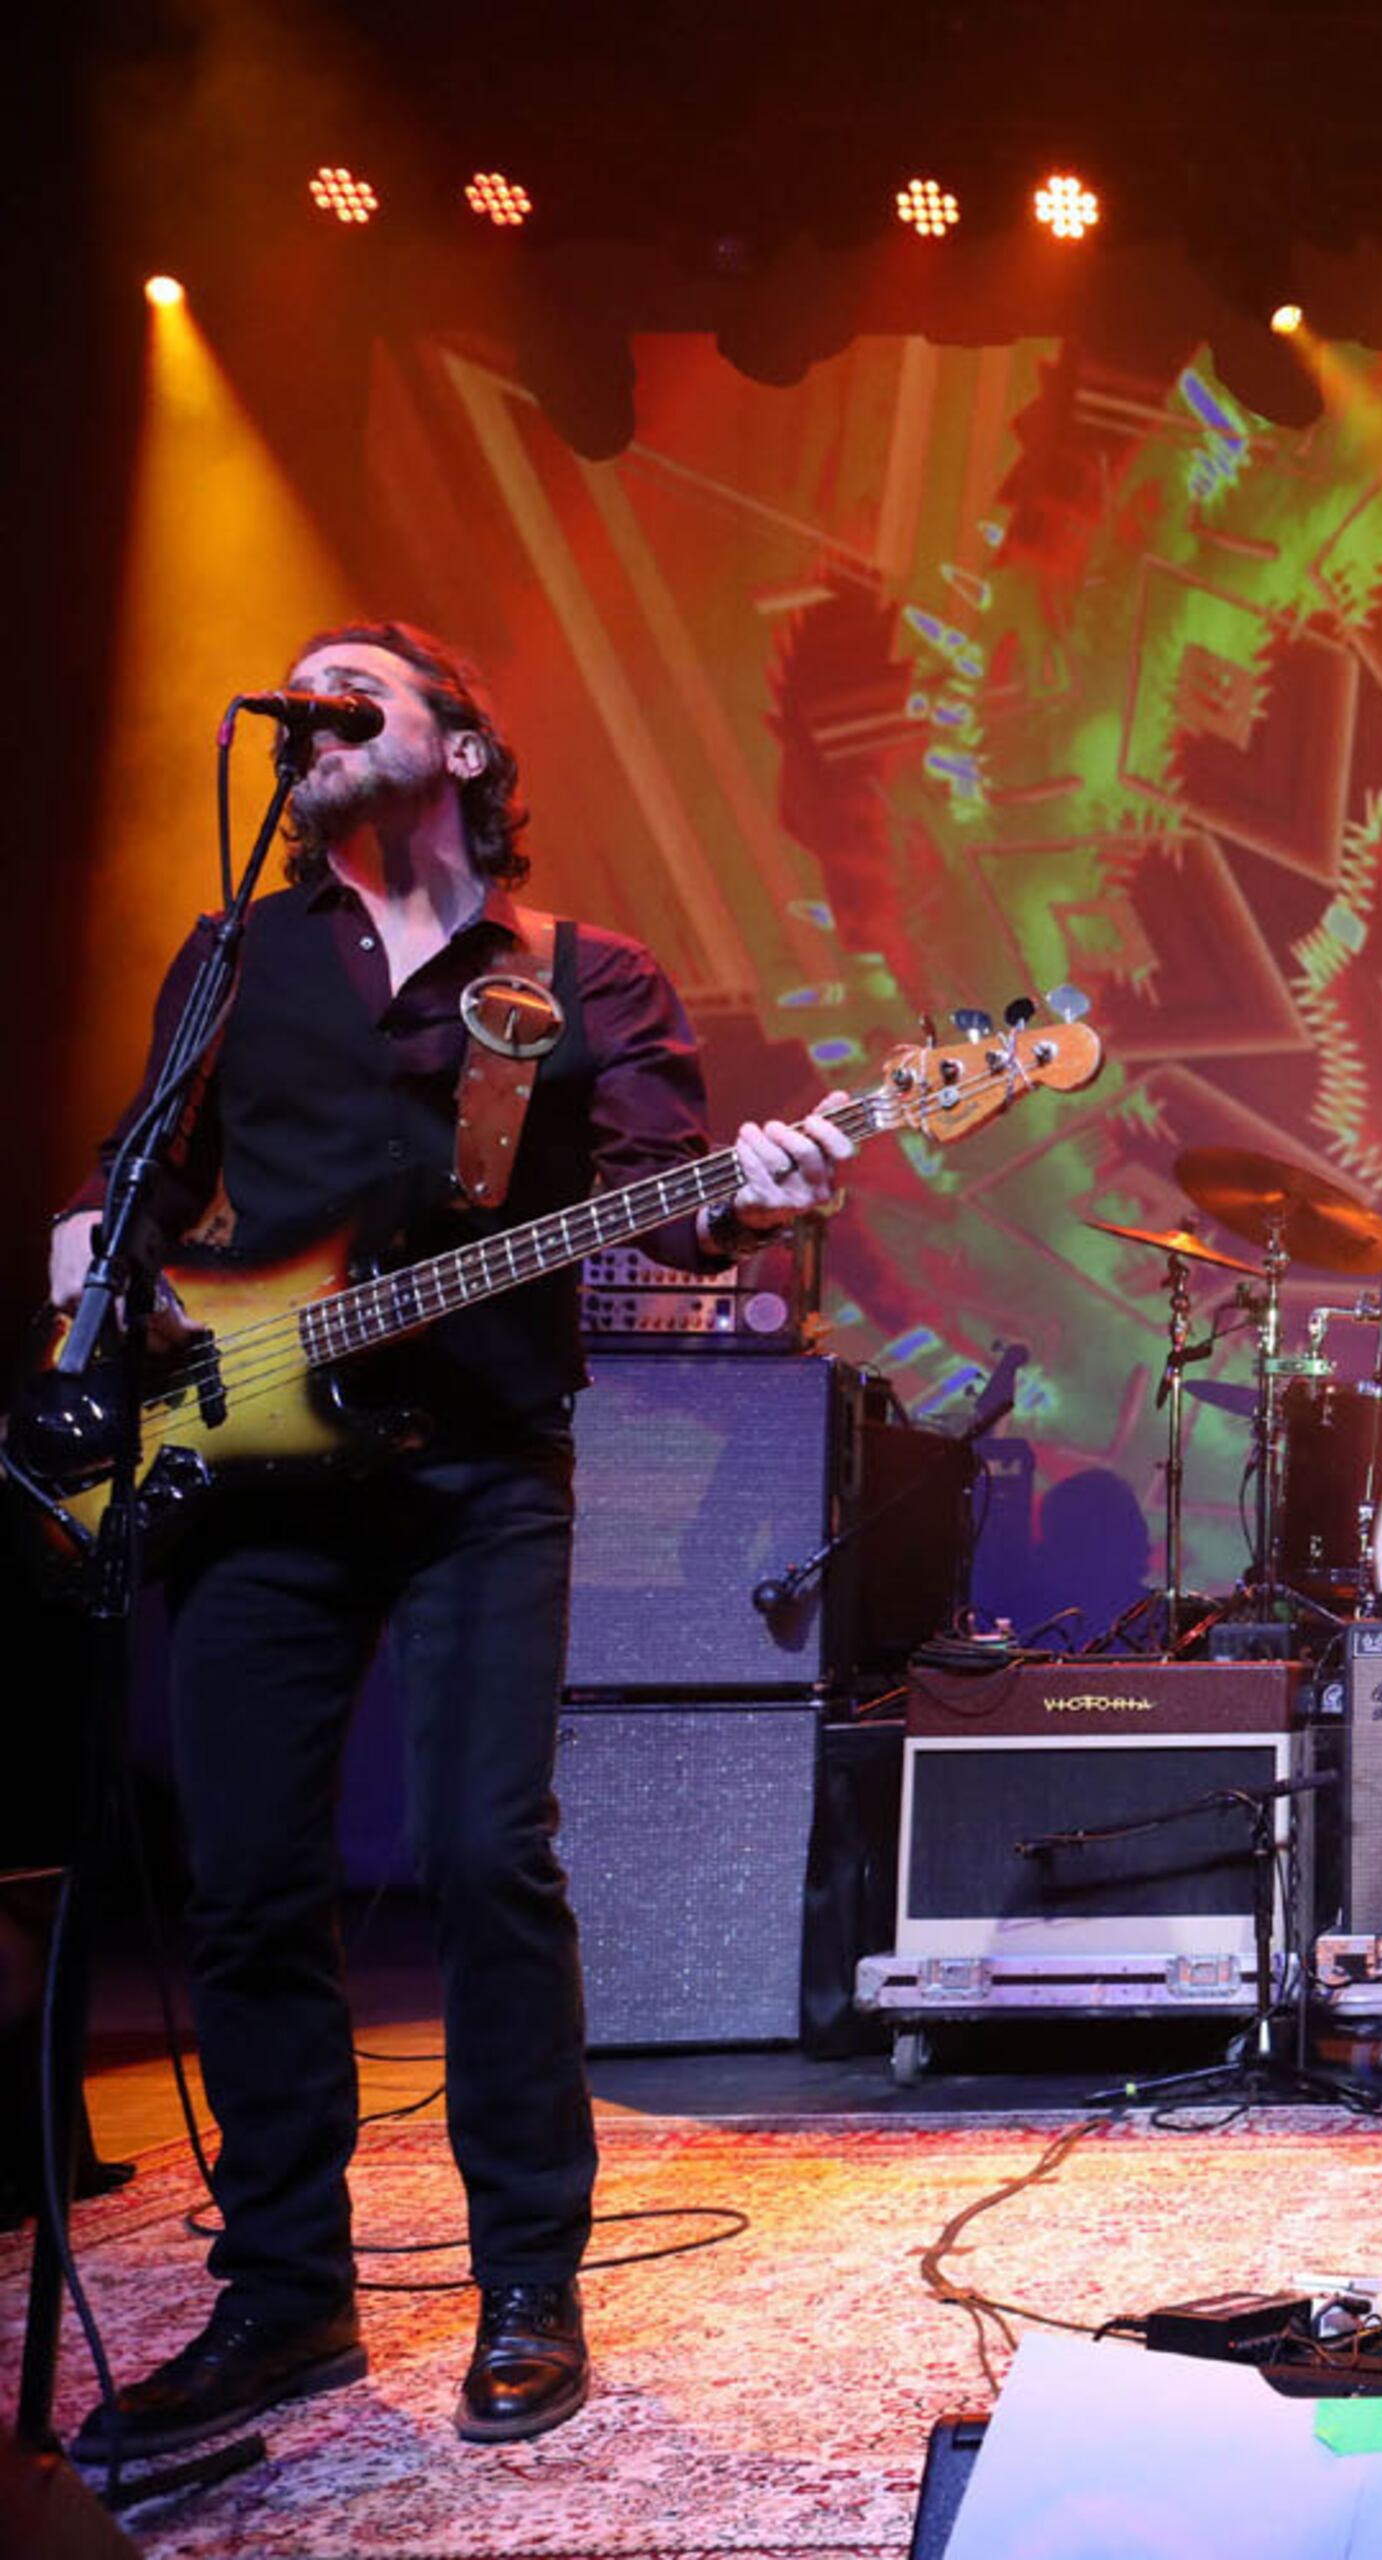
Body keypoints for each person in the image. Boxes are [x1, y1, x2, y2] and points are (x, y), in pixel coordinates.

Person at [52, 623, 851, 2460]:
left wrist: (755, 1197)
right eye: (302, 698)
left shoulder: (582, 974)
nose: (314, 711)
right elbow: (142, 1178)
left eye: (356, 688)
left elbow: (671, 1203)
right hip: (251, 1474)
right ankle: (285, 2297)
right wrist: (92, 1254)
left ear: (465, 751)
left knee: (490, 1860)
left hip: (482, 1470)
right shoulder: (240, 952)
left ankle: (527, 2287)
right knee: (250, 1884)